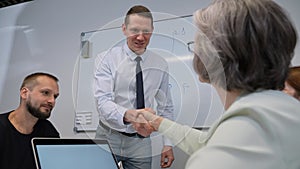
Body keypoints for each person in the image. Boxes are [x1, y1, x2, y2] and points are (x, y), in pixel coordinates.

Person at [127, 0, 300, 168]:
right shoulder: (284, 110)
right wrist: (157, 121)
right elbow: (207, 142)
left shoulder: (239, 139)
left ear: (212, 57)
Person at [93, 5, 174, 169]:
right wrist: (132, 116)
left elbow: (166, 107)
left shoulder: (160, 64)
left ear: (152, 30)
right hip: (108, 136)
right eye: (134, 30)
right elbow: (102, 102)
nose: (140, 37)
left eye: (146, 31)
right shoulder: (106, 59)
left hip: (141, 142)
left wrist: (168, 143)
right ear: (124, 29)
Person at [0, 72, 60, 169]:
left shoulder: (48, 131)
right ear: (24, 93)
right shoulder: (2, 129)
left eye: (55, 96)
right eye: (45, 93)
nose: (52, 101)